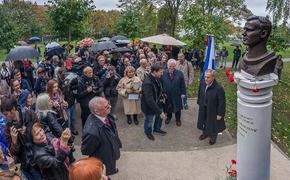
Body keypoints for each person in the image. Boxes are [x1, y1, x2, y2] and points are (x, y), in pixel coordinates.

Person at [81, 97, 122, 176]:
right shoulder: (92, 132)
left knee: (112, 166)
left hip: (111, 151)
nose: (110, 107)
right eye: (106, 107)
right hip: (103, 159)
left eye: (108, 104)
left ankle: (112, 170)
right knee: (105, 172)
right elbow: (86, 150)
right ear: (97, 111)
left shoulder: (105, 115)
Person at [197, 69, 226, 145]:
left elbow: (222, 102)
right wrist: (199, 102)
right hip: (203, 107)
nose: (206, 79)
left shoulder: (219, 88)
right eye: (205, 77)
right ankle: (205, 133)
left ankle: (213, 137)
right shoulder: (202, 83)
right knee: (204, 121)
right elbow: (200, 93)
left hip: (213, 109)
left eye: (208, 77)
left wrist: (220, 114)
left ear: (213, 77)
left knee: (213, 124)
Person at [141, 64, 167, 141]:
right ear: (154, 72)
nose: (162, 74)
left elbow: (158, 89)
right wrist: (159, 111)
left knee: (159, 118)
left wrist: (162, 95)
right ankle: (148, 132)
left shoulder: (156, 77)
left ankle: (156, 129)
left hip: (158, 102)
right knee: (149, 121)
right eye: (161, 72)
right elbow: (149, 100)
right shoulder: (147, 83)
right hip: (149, 107)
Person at [161, 59, 186, 126]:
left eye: (173, 66)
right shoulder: (163, 73)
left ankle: (178, 119)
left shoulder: (180, 73)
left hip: (177, 94)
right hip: (167, 95)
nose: (171, 68)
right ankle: (169, 118)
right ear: (167, 65)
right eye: (170, 66)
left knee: (177, 107)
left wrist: (183, 93)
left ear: (175, 66)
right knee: (168, 107)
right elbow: (161, 84)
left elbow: (183, 84)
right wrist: (161, 93)